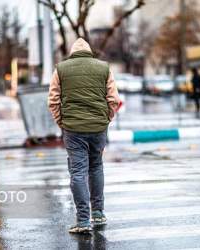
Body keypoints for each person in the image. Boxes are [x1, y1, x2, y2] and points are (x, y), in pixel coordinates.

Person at [48, 38, 121, 234]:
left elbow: (53, 100)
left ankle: (83, 220)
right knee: (96, 166)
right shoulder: (104, 68)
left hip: (73, 129)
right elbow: (114, 99)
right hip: (98, 128)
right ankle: (98, 212)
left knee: (78, 171)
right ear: (89, 52)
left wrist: (62, 122)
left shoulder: (61, 69)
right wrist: (106, 118)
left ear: (72, 53)